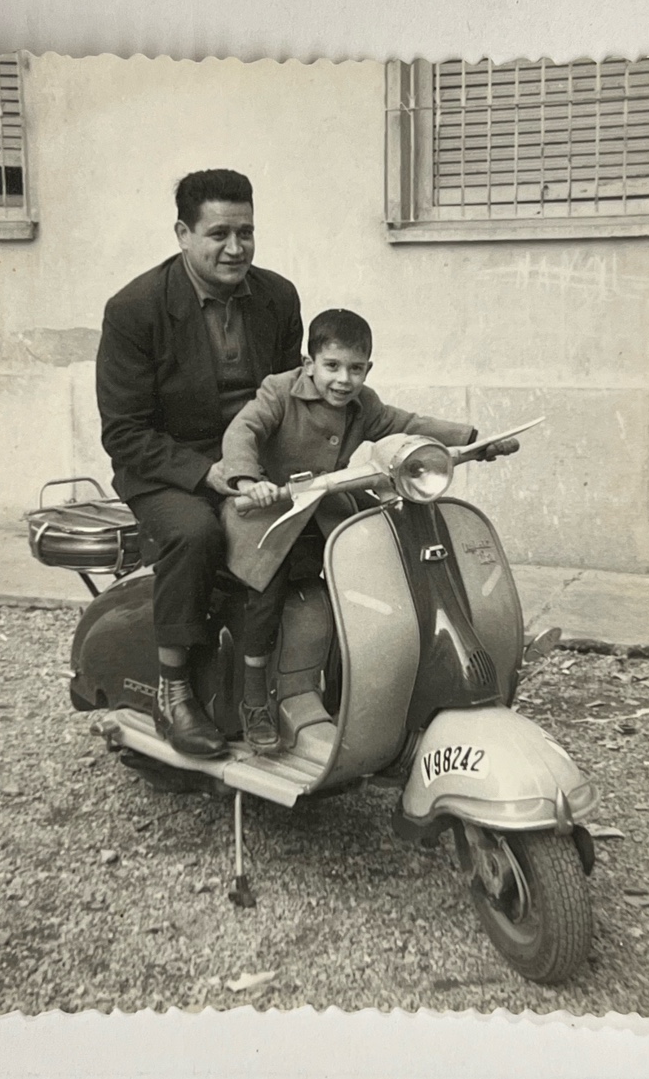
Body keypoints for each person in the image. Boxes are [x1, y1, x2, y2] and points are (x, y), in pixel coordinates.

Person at [220, 308, 517, 753]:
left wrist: (475, 439)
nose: (343, 379)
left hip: (323, 514)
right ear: (309, 364)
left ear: (368, 369)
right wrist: (247, 480)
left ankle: (352, 690)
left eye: (355, 369)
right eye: (332, 366)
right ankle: (255, 698)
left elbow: (407, 424)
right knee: (268, 595)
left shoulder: (364, 404)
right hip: (269, 518)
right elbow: (244, 428)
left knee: (375, 578)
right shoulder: (278, 391)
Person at [95, 169, 303, 758]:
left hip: (254, 458)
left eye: (247, 232)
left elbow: (291, 395)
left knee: (341, 521)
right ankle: (173, 690)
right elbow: (125, 432)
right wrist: (206, 473)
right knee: (195, 532)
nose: (236, 248)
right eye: (218, 234)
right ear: (183, 233)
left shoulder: (278, 296)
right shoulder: (135, 309)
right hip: (166, 467)